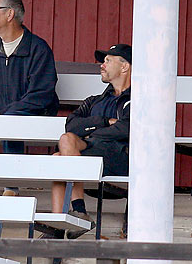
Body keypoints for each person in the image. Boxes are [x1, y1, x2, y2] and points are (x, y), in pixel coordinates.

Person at [51, 44, 133, 237]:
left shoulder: (138, 99)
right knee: (65, 141)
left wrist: (91, 132)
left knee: (58, 157)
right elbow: (71, 125)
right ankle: (73, 214)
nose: (101, 65)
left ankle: (70, 220)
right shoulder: (94, 101)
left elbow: (127, 128)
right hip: (92, 157)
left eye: (107, 61)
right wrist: (105, 122)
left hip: (120, 160)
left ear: (124, 67)